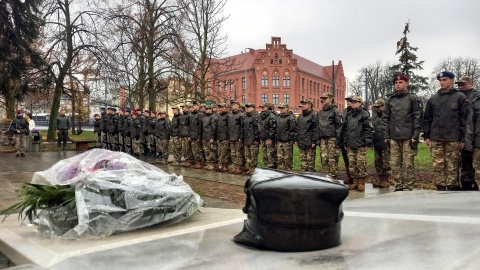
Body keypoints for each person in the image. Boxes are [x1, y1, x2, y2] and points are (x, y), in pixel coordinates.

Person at [423, 71, 468, 191]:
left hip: (453, 137)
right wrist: (427, 136)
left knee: (452, 165)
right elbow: (427, 118)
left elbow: (464, 119)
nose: (442, 82)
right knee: (438, 164)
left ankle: (452, 187)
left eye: (445, 80)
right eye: (440, 80)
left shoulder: (460, 97)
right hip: (436, 137)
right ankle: (440, 187)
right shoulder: (433, 99)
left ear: (452, 80)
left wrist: (463, 137)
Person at [383, 74, 423, 191]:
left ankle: (409, 185)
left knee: (408, 164)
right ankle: (398, 185)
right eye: (396, 83)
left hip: (408, 136)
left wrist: (415, 135)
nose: (398, 84)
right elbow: (385, 118)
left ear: (407, 83)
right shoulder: (391, 100)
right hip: (394, 136)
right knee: (394, 163)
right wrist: (386, 135)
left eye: (400, 82)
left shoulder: (413, 98)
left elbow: (417, 117)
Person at [343, 96, 373, 192]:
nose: (353, 103)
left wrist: (367, 143)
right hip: (350, 143)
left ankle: (361, 182)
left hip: (361, 143)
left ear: (360, 103)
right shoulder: (349, 115)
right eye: (352, 102)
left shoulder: (364, 114)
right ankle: (355, 181)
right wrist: (345, 142)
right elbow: (345, 130)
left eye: (356, 102)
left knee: (361, 163)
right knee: (352, 163)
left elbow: (368, 130)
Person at [456, 76, 480, 190]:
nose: (461, 86)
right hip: (460, 134)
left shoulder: (476, 97)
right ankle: (465, 185)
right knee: (463, 161)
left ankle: (475, 185)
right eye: (459, 84)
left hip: (474, 134)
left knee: (475, 162)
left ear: (471, 83)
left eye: (463, 84)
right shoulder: (457, 96)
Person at [318, 92, 343, 177]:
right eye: (323, 98)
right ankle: (325, 175)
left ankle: (333, 175)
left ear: (330, 99)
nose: (323, 100)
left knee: (332, 158)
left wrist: (337, 140)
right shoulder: (320, 112)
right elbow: (318, 125)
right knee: (324, 157)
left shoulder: (335, 111)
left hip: (332, 138)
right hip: (323, 137)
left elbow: (339, 126)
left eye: (325, 98)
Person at [372, 98, 391, 188]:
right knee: (378, 162)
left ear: (383, 106)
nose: (377, 109)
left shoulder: (388, 116)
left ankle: (386, 180)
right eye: (376, 107)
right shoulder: (375, 117)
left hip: (385, 142)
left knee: (386, 162)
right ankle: (380, 179)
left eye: (379, 107)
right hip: (377, 141)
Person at [295, 98, 318, 172]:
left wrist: (314, 141)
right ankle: (304, 178)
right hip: (301, 142)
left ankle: (311, 179)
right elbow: (297, 128)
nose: (303, 105)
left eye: (305, 104)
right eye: (302, 104)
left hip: (310, 143)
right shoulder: (300, 116)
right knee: (303, 164)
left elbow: (316, 129)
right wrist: (296, 139)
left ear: (310, 105)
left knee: (310, 164)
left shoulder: (314, 115)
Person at [275, 102, 296, 170]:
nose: (281, 110)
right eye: (280, 108)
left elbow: (292, 130)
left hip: (287, 141)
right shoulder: (278, 117)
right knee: (280, 158)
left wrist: (291, 141)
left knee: (288, 159)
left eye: (282, 108)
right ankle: (281, 172)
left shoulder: (291, 117)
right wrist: (276, 140)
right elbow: (276, 129)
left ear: (287, 108)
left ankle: (288, 172)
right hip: (279, 140)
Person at [242, 102, 260, 175]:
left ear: (253, 108)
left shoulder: (256, 116)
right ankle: (250, 168)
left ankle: (253, 169)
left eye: (249, 107)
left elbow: (257, 128)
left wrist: (257, 139)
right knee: (247, 155)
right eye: (247, 107)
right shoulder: (245, 116)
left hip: (253, 139)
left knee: (253, 155)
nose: (248, 108)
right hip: (246, 138)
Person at [340, 96, 354, 184]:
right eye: (347, 101)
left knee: (353, 160)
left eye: (350, 101)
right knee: (346, 159)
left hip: (353, 138)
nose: (348, 102)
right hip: (344, 138)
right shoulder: (344, 112)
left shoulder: (356, 111)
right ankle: (349, 175)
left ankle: (355, 178)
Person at [258, 103, 277, 168]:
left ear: (268, 107)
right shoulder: (261, 116)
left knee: (270, 153)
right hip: (262, 137)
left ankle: (271, 167)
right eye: (262, 107)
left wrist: (271, 138)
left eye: (263, 107)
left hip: (268, 138)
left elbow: (273, 128)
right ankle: (265, 166)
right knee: (264, 153)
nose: (262, 108)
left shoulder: (271, 116)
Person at [228, 100, 244, 174]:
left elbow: (242, 127)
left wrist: (241, 137)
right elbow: (229, 126)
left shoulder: (241, 115)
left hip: (237, 137)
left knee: (238, 153)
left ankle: (239, 167)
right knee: (233, 153)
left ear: (238, 105)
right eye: (232, 105)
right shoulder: (230, 115)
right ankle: (234, 166)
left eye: (234, 105)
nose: (233, 106)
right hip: (232, 136)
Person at [202, 105, 218, 171]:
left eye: (209, 109)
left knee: (211, 151)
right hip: (205, 136)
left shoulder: (213, 117)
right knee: (206, 150)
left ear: (211, 110)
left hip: (210, 136)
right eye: (207, 109)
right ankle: (208, 163)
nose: (208, 110)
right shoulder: (204, 117)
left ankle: (212, 164)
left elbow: (213, 128)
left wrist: (212, 137)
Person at [189, 102, 204, 169]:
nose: (194, 106)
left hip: (197, 135)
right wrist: (190, 135)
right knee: (194, 150)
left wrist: (199, 136)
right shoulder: (191, 115)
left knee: (198, 150)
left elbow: (200, 126)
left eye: (196, 105)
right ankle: (197, 162)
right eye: (194, 105)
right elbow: (190, 126)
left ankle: (200, 163)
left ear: (198, 106)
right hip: (192, 135)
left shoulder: (200, 114)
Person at [216, 103, 231, 173]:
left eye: (222, 107)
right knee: (220, 152)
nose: (221, 109)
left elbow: (230, 127)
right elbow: (218, 128)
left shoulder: (228, 115)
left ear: (226, 108)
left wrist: (228, 138)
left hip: (225, 137)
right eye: (220, 107)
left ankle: (225, 166)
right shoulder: (219, 116)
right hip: (220, 137)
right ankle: (221, 165)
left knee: (225, 153)